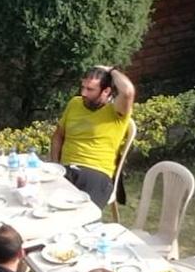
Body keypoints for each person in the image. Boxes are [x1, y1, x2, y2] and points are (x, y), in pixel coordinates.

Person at [50, 65, 136, 209]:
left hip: (96, 172)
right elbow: (58, 135)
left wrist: (111, 70)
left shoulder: (116, 112)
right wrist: (55, 164)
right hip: (66, 169)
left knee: (81, 215)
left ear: (106, 91)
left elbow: (127, 91)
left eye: (90, 89)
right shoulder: (74, 103)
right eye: (83, 87)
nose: (83, 93)